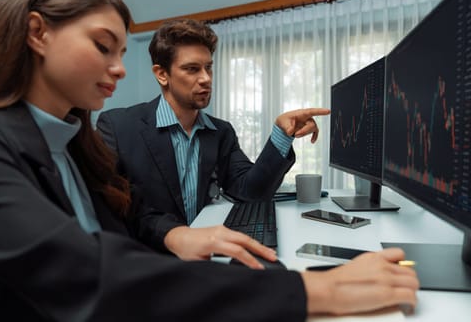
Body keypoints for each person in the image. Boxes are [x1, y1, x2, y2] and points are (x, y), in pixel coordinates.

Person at [0, 0, 419, 320]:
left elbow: (241, 190)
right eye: (103, 47)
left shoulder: (72, 138)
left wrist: (280, 136)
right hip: (133, 280)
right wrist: (310, 289)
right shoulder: (111, 126)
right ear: (37, 33)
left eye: (209, 69)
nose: (119, 69)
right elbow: (88, 263)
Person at [96, 18, 330, 267]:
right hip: (145, 263)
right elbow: (114, 208)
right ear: (162, 74)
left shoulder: (220, 132)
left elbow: (251, 192)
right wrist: (179, 237)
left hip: (206, 262)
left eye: (208, 67)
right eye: (192, 69)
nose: (206, 78)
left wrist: (282, 135)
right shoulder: (118, 126)